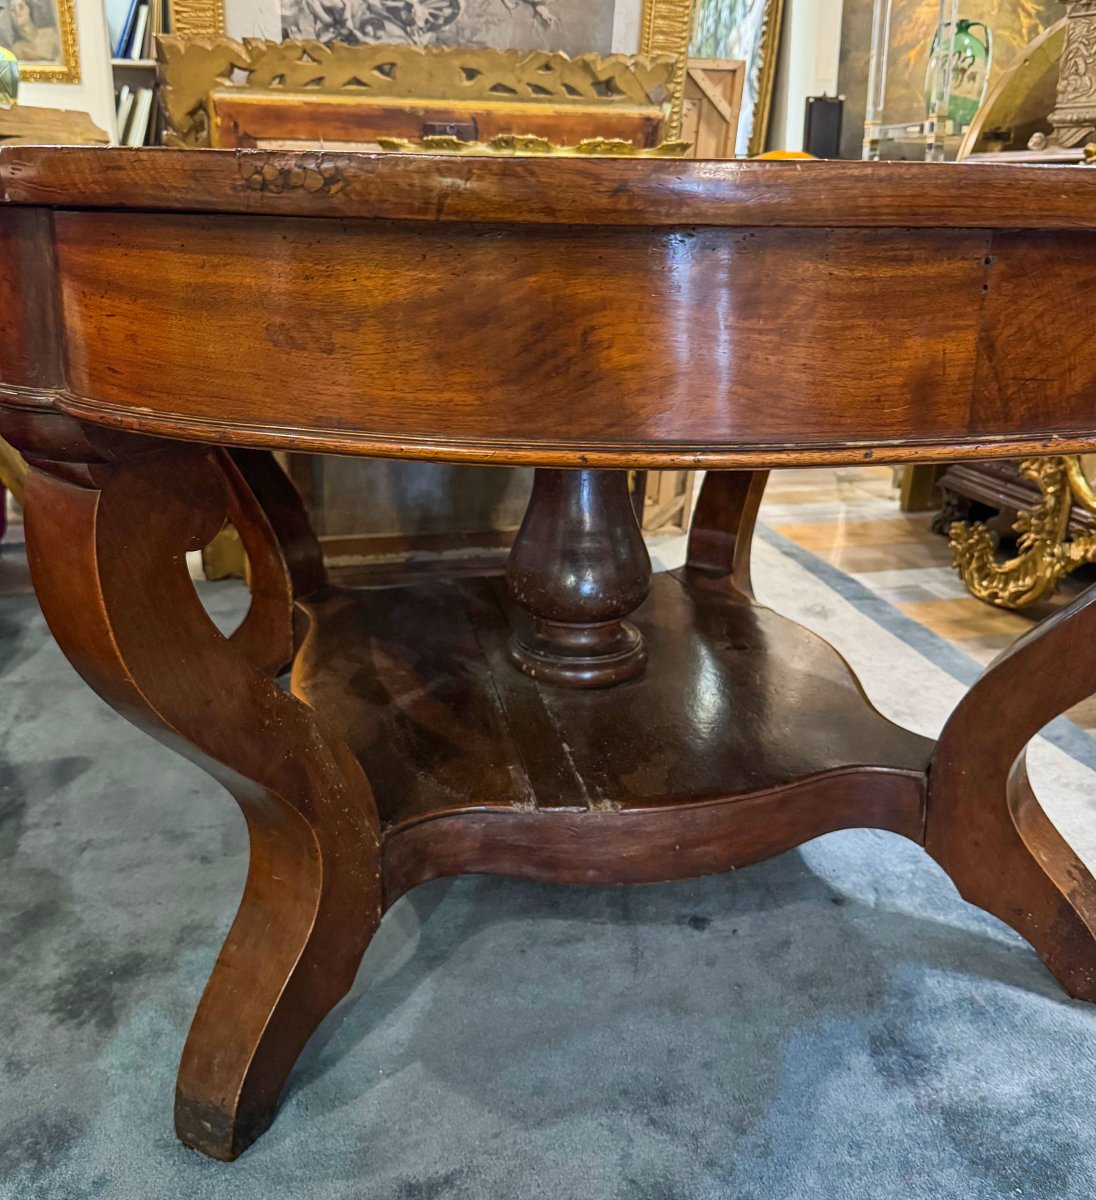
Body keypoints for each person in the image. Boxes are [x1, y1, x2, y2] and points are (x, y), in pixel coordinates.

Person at [9, 0, 60, 64]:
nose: (17, 12)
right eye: (13, 9)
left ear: (30, 9)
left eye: (21, 7)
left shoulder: (52, 34)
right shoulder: (17, 49)